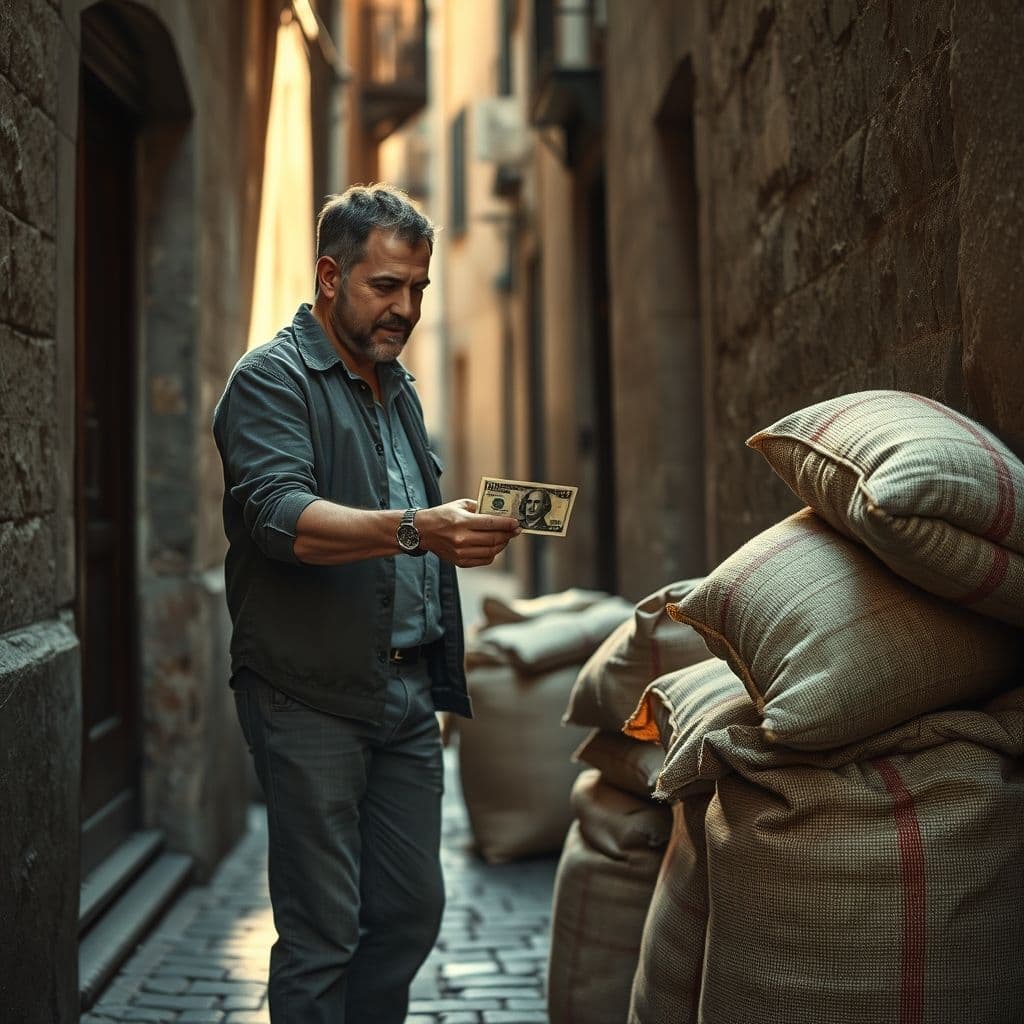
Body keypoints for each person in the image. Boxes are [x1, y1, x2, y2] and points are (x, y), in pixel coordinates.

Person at [212, 183, 520, 1024]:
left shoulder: (398, 385)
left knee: (410, 913)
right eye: (386, 286)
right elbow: (282, 519)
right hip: (308, 692)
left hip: (407, 695)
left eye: (418, 288)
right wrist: (421, 529)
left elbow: (403, 522)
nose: (407, 308)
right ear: (329, 276)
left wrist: (455, 532)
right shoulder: (270, 380)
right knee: (322, 937)